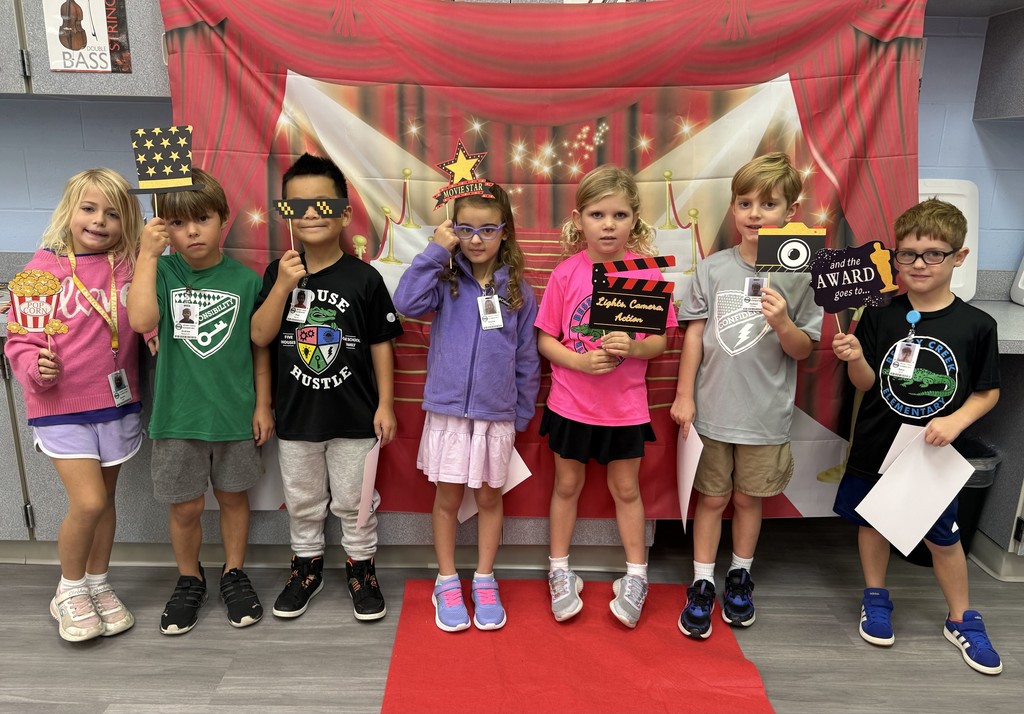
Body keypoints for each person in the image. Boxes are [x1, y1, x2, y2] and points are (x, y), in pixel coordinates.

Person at [832, 198, 1002, 675]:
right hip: (876, 442)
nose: (919, 264)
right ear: (895, 257)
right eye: (908, 254)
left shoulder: (977, 326)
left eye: (934, 253)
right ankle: (875, 596)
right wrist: (854, 357)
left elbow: (987, 393)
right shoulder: (880, 313)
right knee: (874, 522)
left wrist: (956, 421)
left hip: (932, 454)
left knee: (944, 537)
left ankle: (961, 618)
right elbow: (866, 383)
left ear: (959, 257)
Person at [671, 152, 822, 639]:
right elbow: (694, 335)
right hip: (712, 411)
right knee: (711, 500)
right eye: (745, 202)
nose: (755, 213)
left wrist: (781, 321)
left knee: (747, 499)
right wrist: (684, 396)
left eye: (768, 203)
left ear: (790, 213)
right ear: (733, 209)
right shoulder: (713, 270)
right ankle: (702, 583)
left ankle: (740, 575)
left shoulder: (802, 275)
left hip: (764, 416)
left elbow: (803, 350)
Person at [251, 153, 404, 621]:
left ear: (343, 212)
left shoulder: (365, 277)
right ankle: (306, 567)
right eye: (298, 204)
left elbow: (381, 344)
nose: (311, 212)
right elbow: (259, 337)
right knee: (302, 498)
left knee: (356, 501)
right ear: (286, 213)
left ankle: (361, 568)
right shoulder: (278, 273)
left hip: (356, 417)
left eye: (323, 203)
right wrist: (284, 284)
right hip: (297, 417)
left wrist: (386, 405)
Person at [127, 168, 273, 635]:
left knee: (234, 499)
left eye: (202, 219)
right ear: (163, 227)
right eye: (176, 222)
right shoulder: (164, 272)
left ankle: (234, 572)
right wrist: (148, 257)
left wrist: (262, 405)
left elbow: (259, 350)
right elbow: (141, 319)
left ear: (223, 220)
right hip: (177, 417)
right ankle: (189, 578)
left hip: (233, 415)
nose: (191, 231)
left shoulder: (247, 281)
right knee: (185, 508)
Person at [393, 184, 540, 632]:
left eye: (487, 229)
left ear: (504, 232)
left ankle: (484, 578)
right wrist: (436, 252)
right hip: (449, 413)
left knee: (490, 498)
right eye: (465, 229)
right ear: (453, 230)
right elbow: (404, 303)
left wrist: (519, 415)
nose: (476, 239)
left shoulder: (519, 291)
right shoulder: (445, 280)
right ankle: (446, 580)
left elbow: (527, 358)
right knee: (448, 498)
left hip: (496, 415)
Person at [5, 168, 144, 641]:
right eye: (88, 208)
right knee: (87, 501)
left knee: (104, 505)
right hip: (60, 405)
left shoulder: (128, 263)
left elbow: (146, 313)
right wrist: (31, 368)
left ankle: (98, 585)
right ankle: (68, 588)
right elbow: (19, 340)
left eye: (112, 213)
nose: (99, 221)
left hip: (117, 402)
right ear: (69, 211)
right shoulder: (42, 269)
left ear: (127, 222)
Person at [536, 165, 676, 629]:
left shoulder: (646, 272)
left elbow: (661, 342)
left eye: (619, 214)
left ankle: (636, 575)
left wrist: (633, 346)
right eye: (598, 214)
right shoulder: (565, 273)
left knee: (626, 489)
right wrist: (577, 361)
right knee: (567, 486)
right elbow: (546, 340)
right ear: (579, 219)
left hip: (624, 409)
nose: (609, 224)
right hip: (571, 405)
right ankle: (559, 570)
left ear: (635, 218)